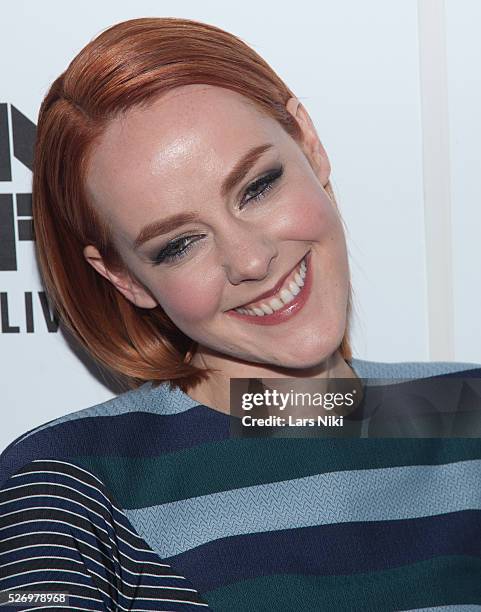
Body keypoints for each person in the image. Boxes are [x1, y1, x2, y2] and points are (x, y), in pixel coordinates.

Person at [1, 17, 480, 611]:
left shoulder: (469, 409)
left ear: (310, 144)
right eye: (178, 243)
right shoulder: (69, 485)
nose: (251, 260)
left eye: (258, 186)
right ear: (122, 276)